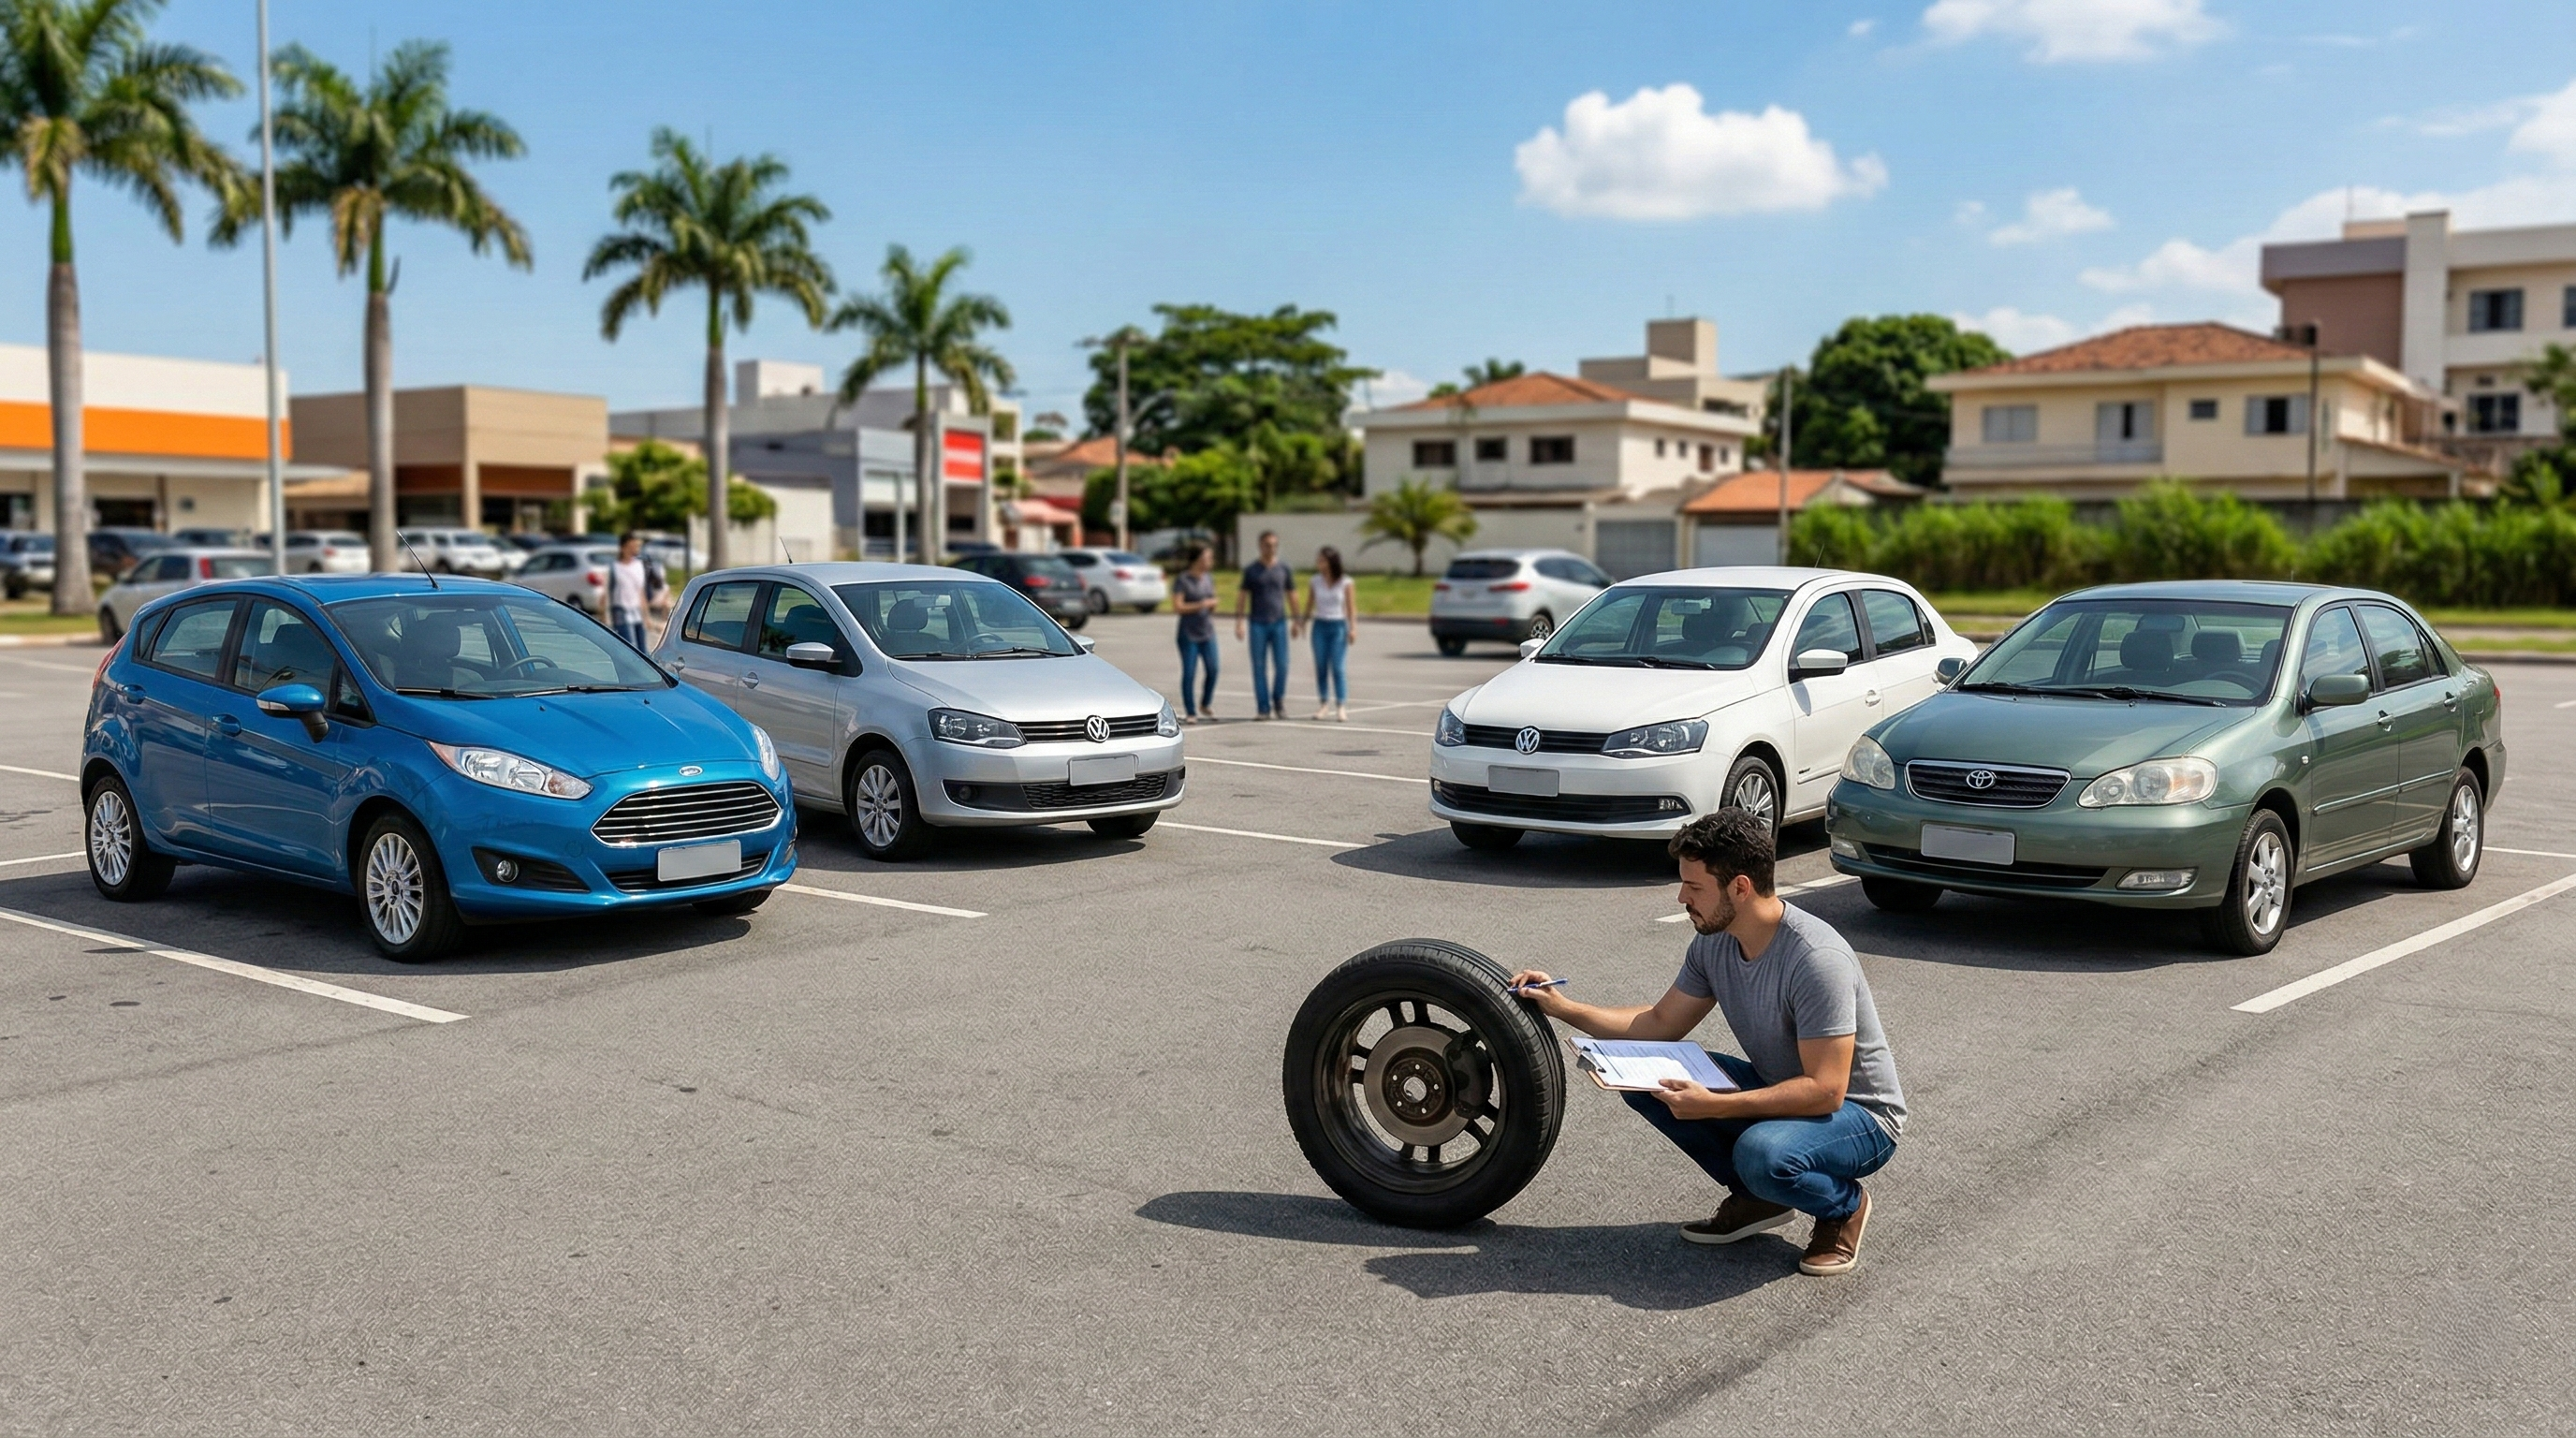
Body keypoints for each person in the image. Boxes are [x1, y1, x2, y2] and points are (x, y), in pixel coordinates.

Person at [1508, 809, 1906, 1277]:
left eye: (1694, 888)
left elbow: (1825, 1090)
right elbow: (1659, 1024)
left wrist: (1714, 1105)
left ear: (1740, 887)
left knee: (1762, 1153)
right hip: (1784, 1088)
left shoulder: (1816, 959)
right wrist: (1562, 1007)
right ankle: (1761, 1197)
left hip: (1859, 1117)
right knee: (1649, 1071)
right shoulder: (1714, 943)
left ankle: (1843, 1207)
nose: (1682, 897)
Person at [1235, 530, 1295, 720]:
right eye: (1268, 545)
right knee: (1259, 667)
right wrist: (1239, 622)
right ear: (1261, 546)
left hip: (1279, 623)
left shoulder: (1284, 568)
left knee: (1283, 665)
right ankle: (1263, 707)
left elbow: (1291, 593)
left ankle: (1278, 700)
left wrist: (1297, 619)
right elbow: (1242, 596)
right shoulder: (1252, 570)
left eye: (1274, 545)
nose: (1271, 548)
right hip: (1257, 624)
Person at [1303, 545, 1357, 722]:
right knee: (1321, 666)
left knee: (1338, 668)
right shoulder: (1315, 581)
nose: (1318, 563)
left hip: (1338, 626)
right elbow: (1310, 603)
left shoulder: (1346, 582)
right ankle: (1323, 704)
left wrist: (1353, 628)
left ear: (1330, 562)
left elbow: (1350, 607)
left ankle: (1341, 706)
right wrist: (1302, 622)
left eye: (1321, 560)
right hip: (1319, 626)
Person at [1172, 544, 1221, 723]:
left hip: (1207, 631)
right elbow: (1178, 607)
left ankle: (1205, 703)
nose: (1210, 561)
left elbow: (1211, 600)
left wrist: (1212, 605)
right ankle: (1191, 711)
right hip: (1188, 634)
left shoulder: (1208, 578)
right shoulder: (1183, 579)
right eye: (1208, 557)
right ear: (1198, 559)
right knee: (1190, 672)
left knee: (1213, 668)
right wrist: (1202, 604)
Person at [606, 531, 667, 652]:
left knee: (642, 650)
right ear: (623, 548)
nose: (635, 549)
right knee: (628, 648)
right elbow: (608, 593)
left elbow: (641, 592)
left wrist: (647, 617)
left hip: (637, 610)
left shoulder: (639, 565)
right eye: (631, 546)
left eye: (637, 546)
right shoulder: (615, 567)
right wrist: (605, 615)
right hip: (621, 611)